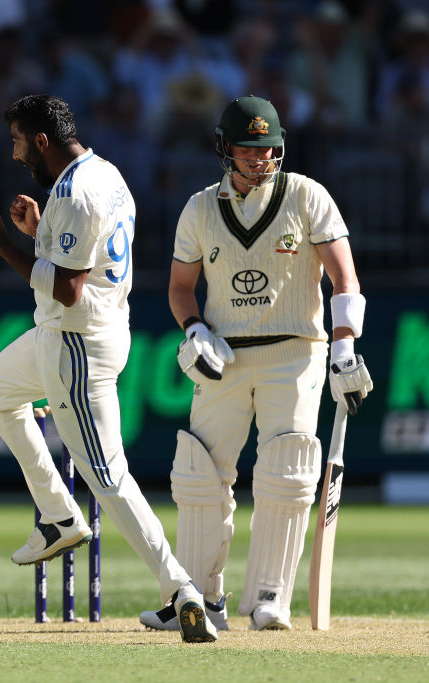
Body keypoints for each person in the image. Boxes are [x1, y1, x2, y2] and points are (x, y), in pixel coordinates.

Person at [0, 94, 217, 644]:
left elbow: (66, 285)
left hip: (77, 344)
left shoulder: (77, 192)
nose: (14, 155)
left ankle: (180, 588)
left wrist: (5, 244)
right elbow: (80, 258)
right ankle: (58, 515)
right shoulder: (102, 172)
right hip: (71, 332)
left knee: (108, 477)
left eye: (17, 141)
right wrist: (39, 231)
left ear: (41, 140)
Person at [138, 95, 372, 632]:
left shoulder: (307, 195)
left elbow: (345, 280)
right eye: (247, 149)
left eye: (266, 149)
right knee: (198, 474)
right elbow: (179, 287)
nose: (258, 160)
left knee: (286, 472)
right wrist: (194, 328)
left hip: (296, 354)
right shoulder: (199, 208)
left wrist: (342, 348)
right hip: (223, 355)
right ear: (225, 148)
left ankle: (271, 597)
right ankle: (197, 599)